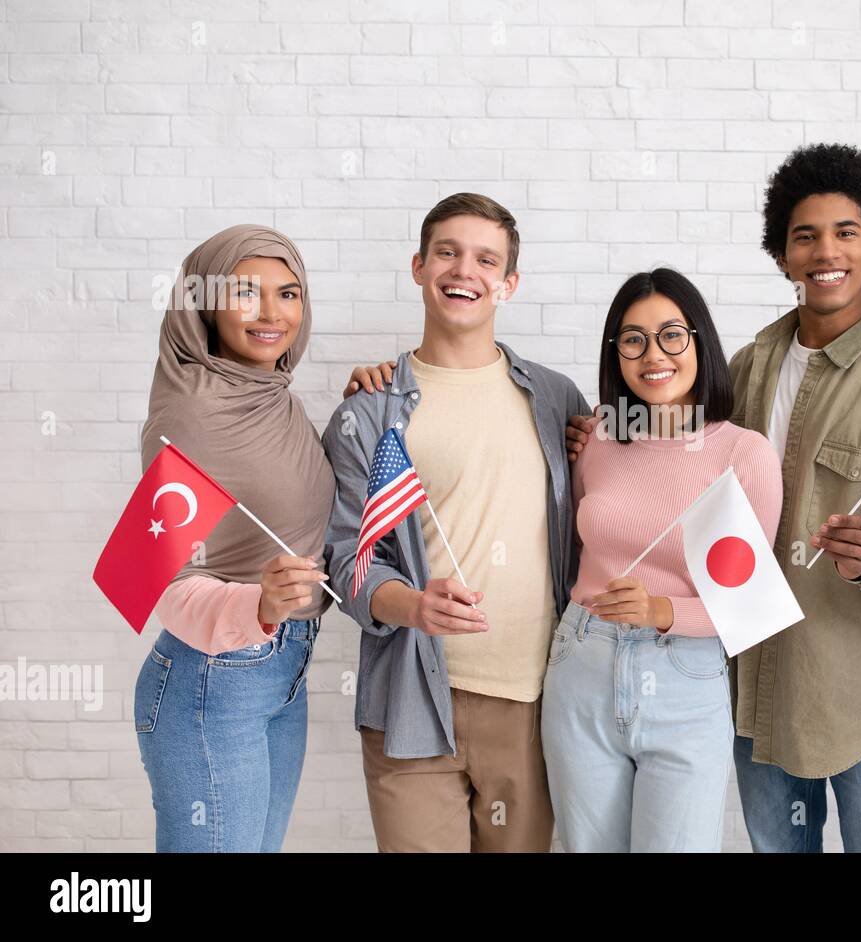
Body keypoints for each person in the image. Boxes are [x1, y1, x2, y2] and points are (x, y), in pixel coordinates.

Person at [568, 143, 861, 852]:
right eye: (804, 237)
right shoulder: (746, 367)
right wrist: (600, 435)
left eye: (845, 233)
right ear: (782, 256)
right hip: (753, 690)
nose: (824, 252)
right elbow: (672, 446)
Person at [325, 193, 588, 852]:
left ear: (509, 283)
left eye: (485, 258)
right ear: (418, 265)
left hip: (534, 700)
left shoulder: (555, 399)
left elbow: (608, 515)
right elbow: (345, 558)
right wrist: (411, 604)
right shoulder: (370, 413)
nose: (463, 269)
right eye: (447, 251)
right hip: (411, 701)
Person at [543, 269, 782, 852]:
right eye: (633, 339)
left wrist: (662, 609)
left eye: (672, 335)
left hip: (686, 677)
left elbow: (748, 608)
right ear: (616, 353)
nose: (654, 355)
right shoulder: (596, 439)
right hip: (582, 664)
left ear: (700, 341)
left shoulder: (742, 453)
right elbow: (577, 545)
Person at [134, 225, 345, 852]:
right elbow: (160, 582)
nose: (272, 313)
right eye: (246, 293)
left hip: (284, 669)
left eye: (289, 293)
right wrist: (255, 605)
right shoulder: (190, 414)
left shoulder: (270, 396)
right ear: (204, 303)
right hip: (212, 682)